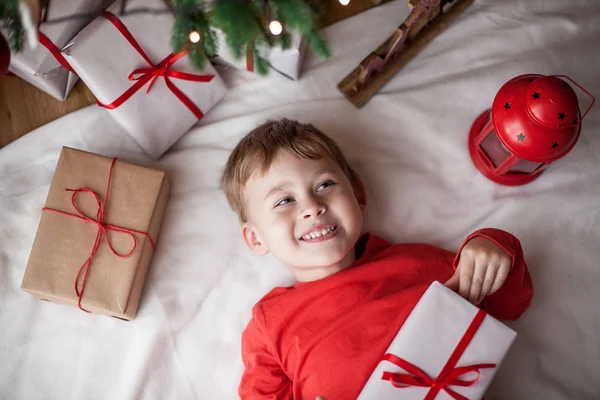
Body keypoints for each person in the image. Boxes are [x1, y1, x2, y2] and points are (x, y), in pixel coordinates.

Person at [220, 119, 534, 399]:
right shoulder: (269, 324)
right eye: (284, 200)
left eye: (325, 184)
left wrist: (495, 245)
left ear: (358, 196)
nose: (311, 206)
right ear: (256, 238)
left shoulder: (417, 263)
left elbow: (507, 305)